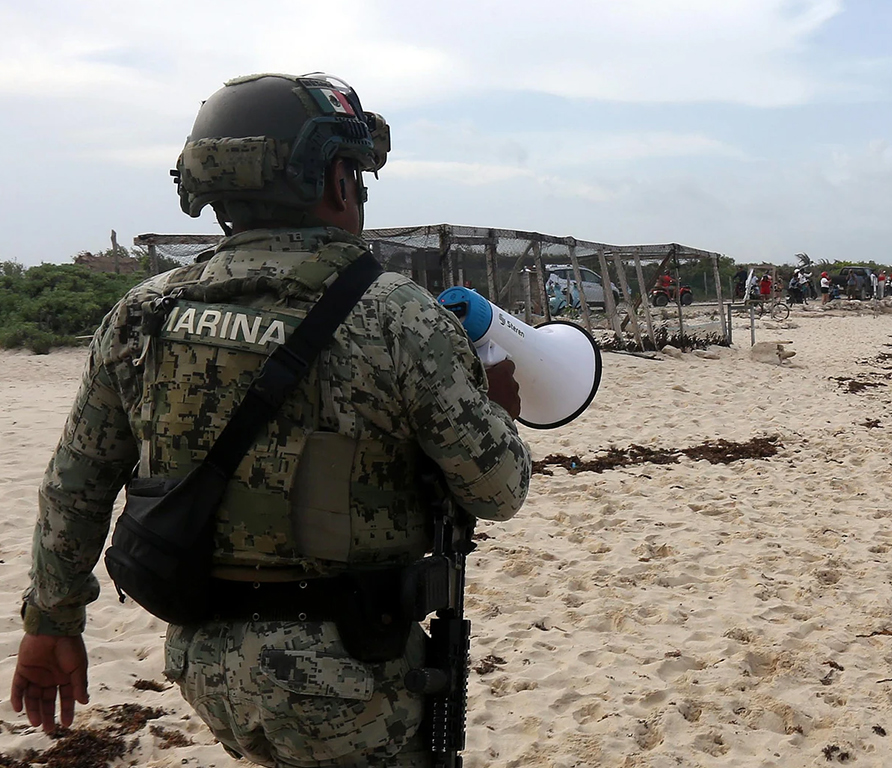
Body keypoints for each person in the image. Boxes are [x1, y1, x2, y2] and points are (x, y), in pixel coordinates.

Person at [10, 73, 532, 767]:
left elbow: (76, 483)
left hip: (205, 664)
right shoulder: (398, 316)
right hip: (350, 672)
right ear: (339, 183)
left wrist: (51, 624)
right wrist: (501, 413)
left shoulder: (143, 314)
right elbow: (497, 493)